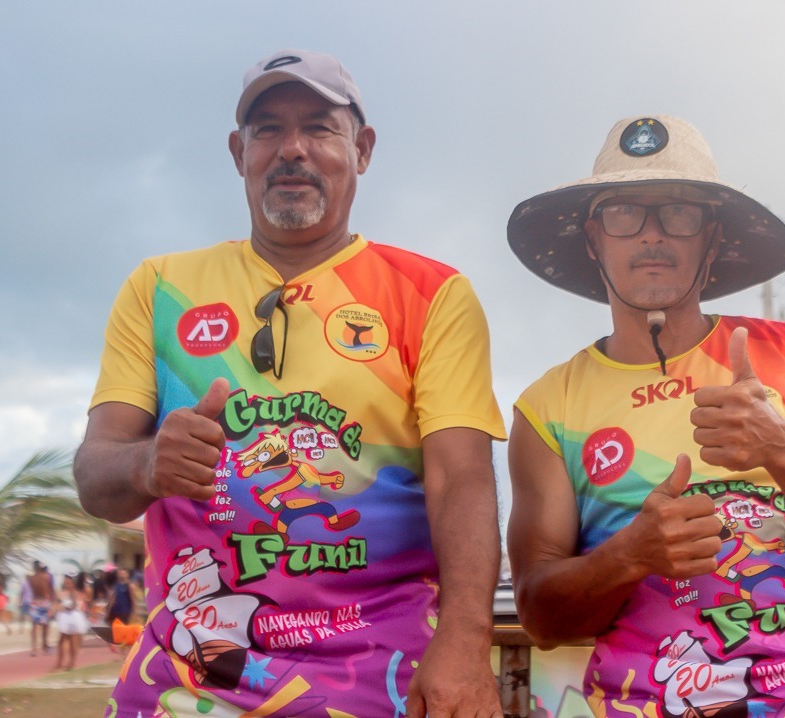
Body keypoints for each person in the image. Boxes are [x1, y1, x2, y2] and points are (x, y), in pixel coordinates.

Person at [73, 49, 505, 717]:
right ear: (237, 151)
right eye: (267, 129)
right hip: (191, 669)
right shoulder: (158, 289)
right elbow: (96, 475)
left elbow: (464, 480)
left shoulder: (432, 295)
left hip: (376, 668)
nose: (292, 149)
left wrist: (466, 642)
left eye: (320, 128)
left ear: (361, 149)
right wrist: (148, 461)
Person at [505, 115, 785, 715]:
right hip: (661, 699)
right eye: (624, 214)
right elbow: (540, 615)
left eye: (679, 213)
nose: (651, 235)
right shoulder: (547, 409)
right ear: (593, 240)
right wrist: (630, 554)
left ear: (711, 242)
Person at [53, 574, 89, 671]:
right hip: (64, 616)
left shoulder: (76, 593)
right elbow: (56, 604)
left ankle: (72, 662)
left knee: (74, 640)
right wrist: (56, 608)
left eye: (68, 581)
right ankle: (60, 662)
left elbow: (76, 604)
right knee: (62, 640)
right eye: (65, 581)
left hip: (74, 616)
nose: (66, 583)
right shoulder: (60, 593)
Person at [26, 560, 54, 656]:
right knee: (45, 625)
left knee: (34, 626)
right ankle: (44, 645)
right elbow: (51, 590)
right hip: (45, 601)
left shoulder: (30, 578)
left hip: (35, 602)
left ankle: (34, 648)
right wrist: (53, 602)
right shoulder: (47, 576)